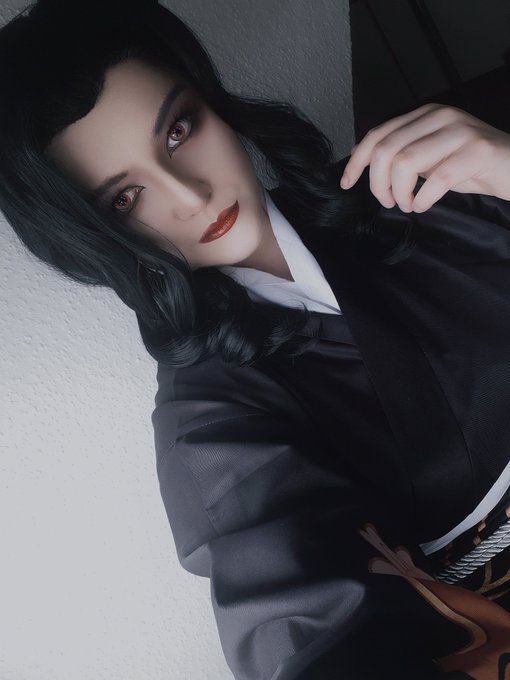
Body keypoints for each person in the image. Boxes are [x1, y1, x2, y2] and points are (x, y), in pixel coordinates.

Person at [2, 1, 510, 678]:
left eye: (178, 131)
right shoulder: (215, 423)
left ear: (211, 102)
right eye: (125, 198)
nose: (189, 196)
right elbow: (312, 635)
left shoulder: (422, 179)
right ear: (92, 239)